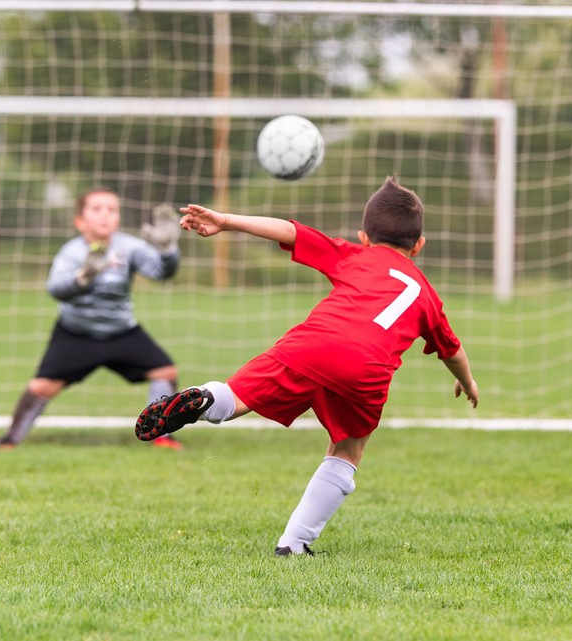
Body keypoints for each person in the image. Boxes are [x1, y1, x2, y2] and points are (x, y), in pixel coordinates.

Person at [134, 176, 479, 555]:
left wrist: (226, 221)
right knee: (348, 449)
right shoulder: (427, 295)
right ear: (418, 246)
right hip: (367, 369)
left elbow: (291, 231)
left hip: (312, 344)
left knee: (236, 397)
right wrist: (468, 381)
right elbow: (453, 350)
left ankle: (201, 399)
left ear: (364, 236)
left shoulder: (354, 254)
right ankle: (294, 544)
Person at [0, 192, 187, 451]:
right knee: (41, 387)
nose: (105, 214)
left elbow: (162, 273)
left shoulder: (129, 247)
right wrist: (83, 277)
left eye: (111, 209)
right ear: (80, 221)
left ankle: (162, 436)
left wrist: (168, 251)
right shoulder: (71, 252)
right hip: (76, 333)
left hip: (121, 332)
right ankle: (10, 439)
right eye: (96, 208)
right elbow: (56, 290)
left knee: (165, 372)